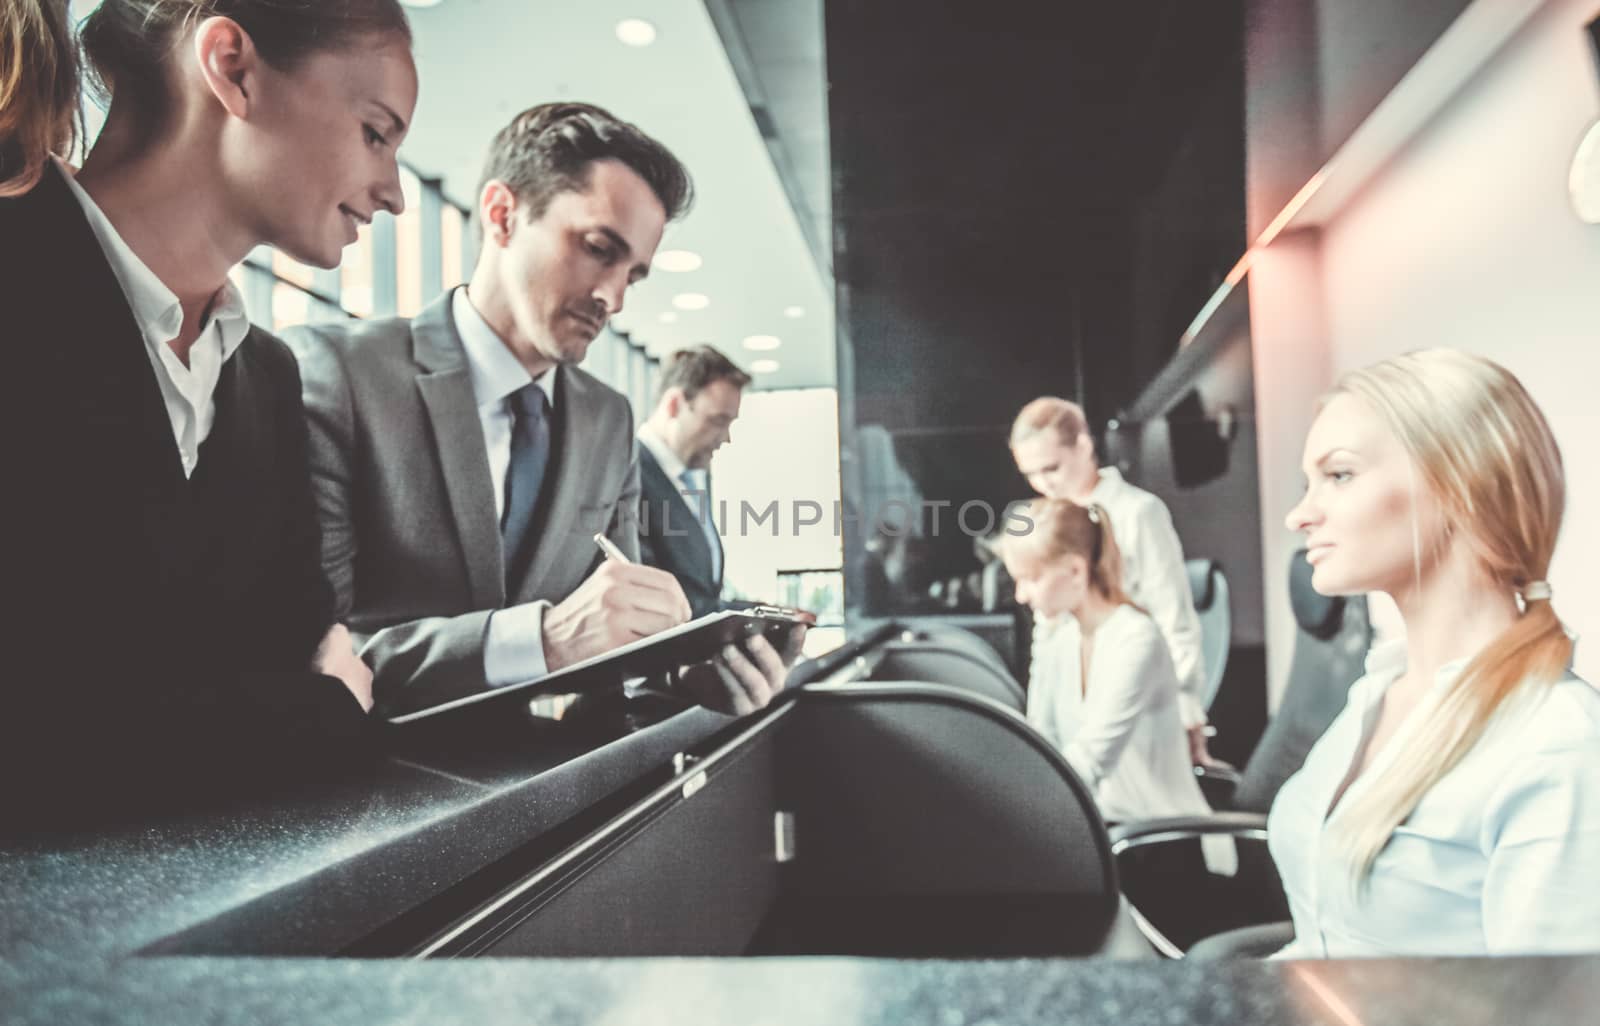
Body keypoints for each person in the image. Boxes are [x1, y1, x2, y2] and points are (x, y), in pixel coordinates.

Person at [0, 0, 417, 805]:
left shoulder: (266, 376)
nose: (395, 193)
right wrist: (314, 714)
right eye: (376, 132)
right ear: (231, 66)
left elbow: (290, 648)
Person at [285, 103, 800, 719]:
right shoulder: (338, 373)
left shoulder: (608, 420)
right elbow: (306, 660)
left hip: (564, 797)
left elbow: (618, 659)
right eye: (596, 248)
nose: (612, 298)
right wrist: (543, 640)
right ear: (502, 214)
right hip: (374, 799)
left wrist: (686, 674)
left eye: (633, 275)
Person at [1269, 349, 1600, 958]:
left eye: (1338, 476)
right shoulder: (1377, 696)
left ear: (1462, 484)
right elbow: (1327, 945)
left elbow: (1560, 1010)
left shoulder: (1557, 746)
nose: (1299, 515)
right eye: (1307, 484)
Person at [1009, 398, 1214, 764]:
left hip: (1136, 694)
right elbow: (1048, 635)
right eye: (1030, 475)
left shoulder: (1138, 512)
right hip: (1077, 697)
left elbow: (1172, 615)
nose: (1043, 483)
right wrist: (1036, 730)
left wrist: (1186, 702)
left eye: (1051, 468)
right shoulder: (1045, 520)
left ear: (1084, 446)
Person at [1000, 498, 1215, 826]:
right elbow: (1041, 737)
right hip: (1101, 824)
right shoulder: (1062, 636)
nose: (1021, 595)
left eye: (1030, 579)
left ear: (1075, 570)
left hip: (1159, 835)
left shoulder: (1135, 638)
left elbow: (1089, 763)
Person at [636, 346, 751, 618]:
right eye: (717, 421)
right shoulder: (626, 474)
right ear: (674, 404)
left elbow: (700, 592)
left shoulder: (691, 480)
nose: (725, 438)